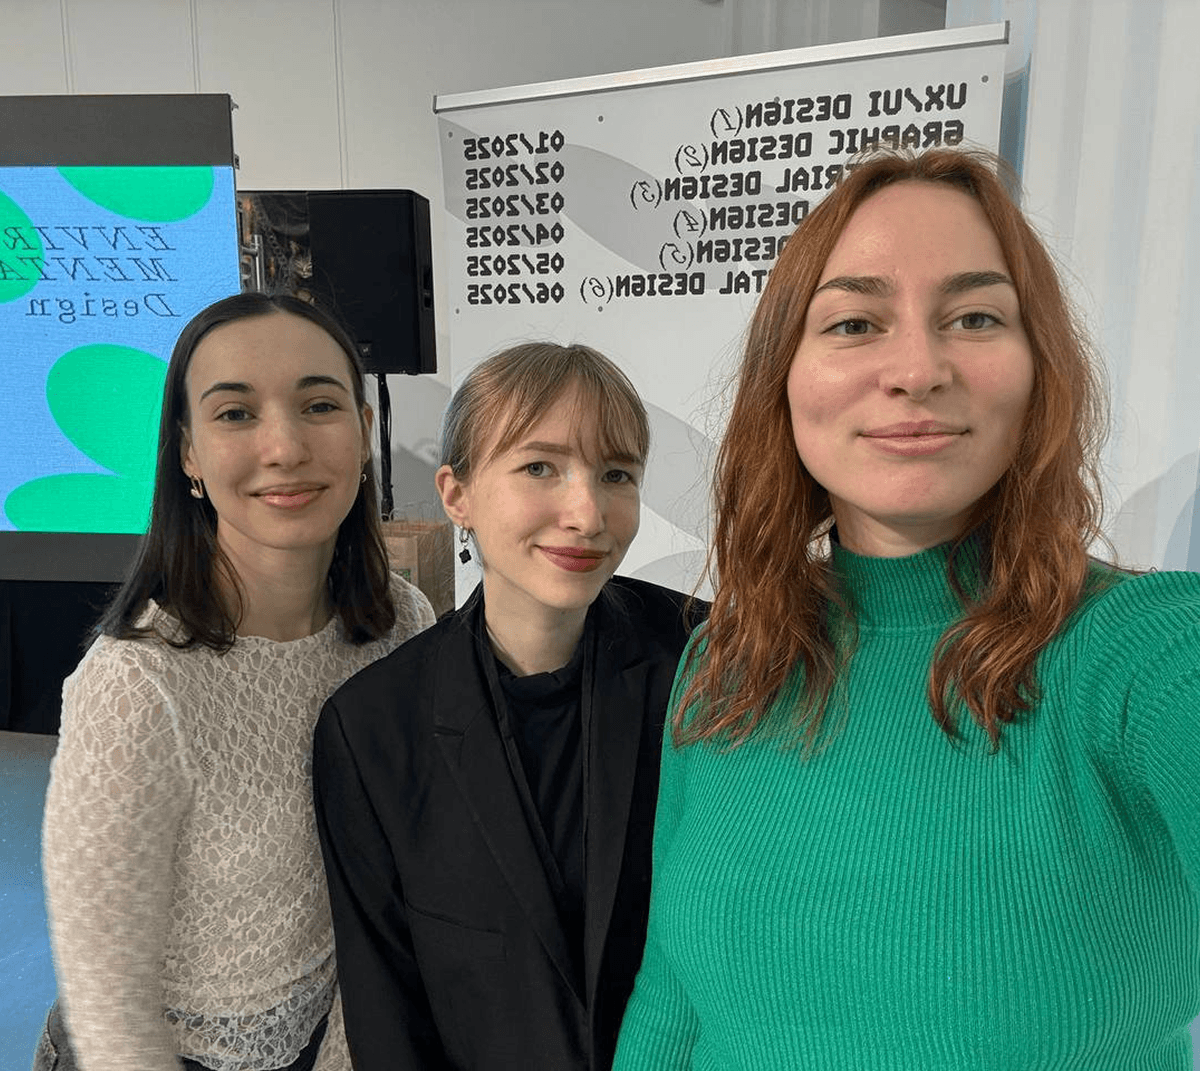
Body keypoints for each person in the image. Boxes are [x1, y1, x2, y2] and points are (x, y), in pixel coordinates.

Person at [612, 148, 1200, 1069]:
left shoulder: (1148, 651)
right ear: (784, 378)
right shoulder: (727, 660)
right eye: (854, 322)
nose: (918, 369)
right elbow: (673, 1000)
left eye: (975, 317)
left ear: (1039, 368)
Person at [36, 293, 435, 1071]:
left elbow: (388, 885)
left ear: (363, 430)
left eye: (319, 405)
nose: (284, 447)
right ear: (187, 452)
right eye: (236, 414)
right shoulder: (135, 687)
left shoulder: (401, 625)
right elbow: (110, 1009)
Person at [312, 341, 707, 1071]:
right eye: (540, 467)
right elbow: (389, 1015)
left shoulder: (705, 661)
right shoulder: (372, 730)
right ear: (456, 494)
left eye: (616, 474)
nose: (587, 513)